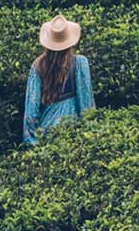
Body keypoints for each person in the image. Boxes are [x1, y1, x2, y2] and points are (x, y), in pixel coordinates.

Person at [23, 14, 94, 147]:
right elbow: (86, 104)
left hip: (46, 128)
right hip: (71, 129)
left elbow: (31, 112)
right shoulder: (79, 63)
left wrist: (32, 142)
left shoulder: (37, 65)